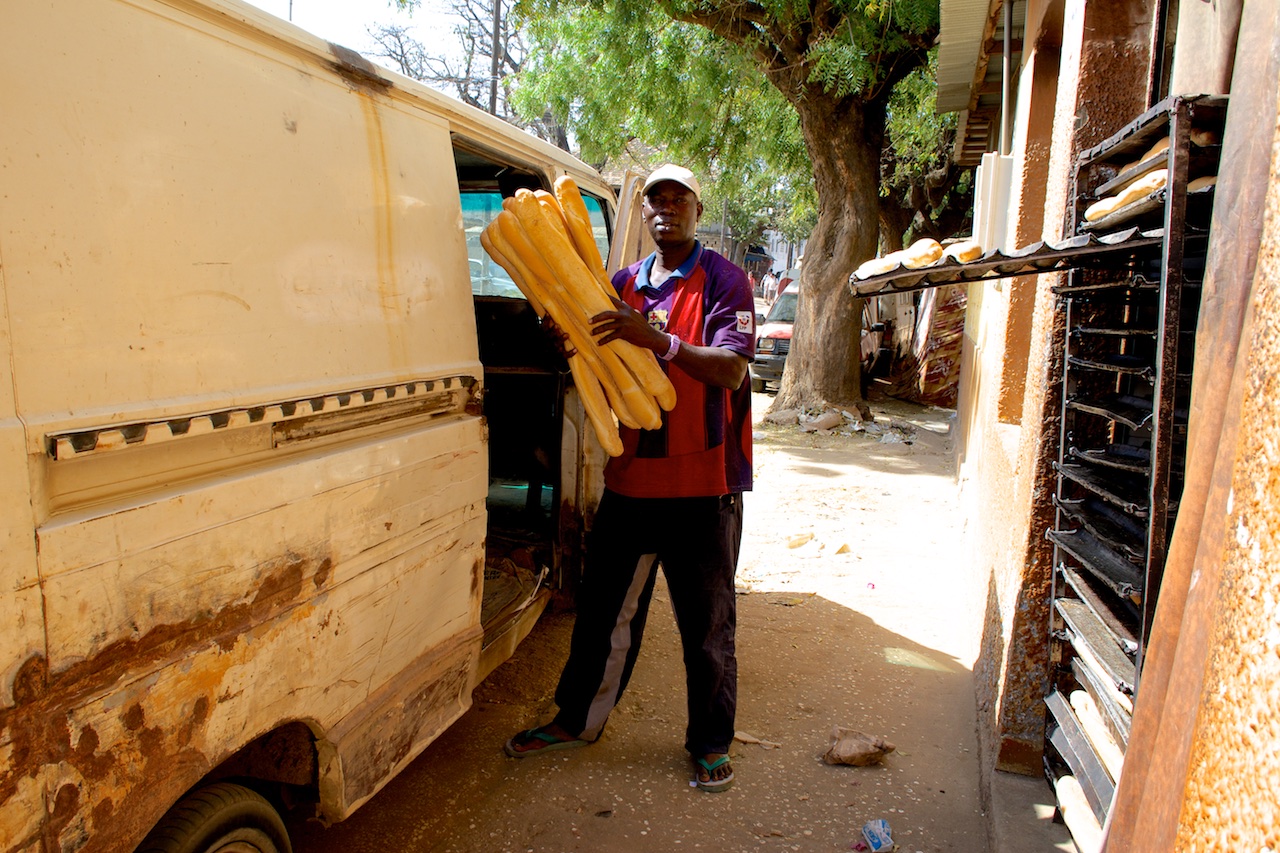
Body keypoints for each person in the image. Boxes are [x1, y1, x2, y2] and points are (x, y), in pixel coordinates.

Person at [503, 164, 755, 794]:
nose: (667, 208)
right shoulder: (616, 285)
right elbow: (590, 358)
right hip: (630, 482)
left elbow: (730, 371)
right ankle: (577, 721)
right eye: (655, 200)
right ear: (643, 214)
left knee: (707, 627)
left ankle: (710, 744)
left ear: (698, 208)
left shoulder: (725, 280)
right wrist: (563, 338)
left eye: (680, 199)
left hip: (704, 487)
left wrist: (659, 342)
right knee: (602, 615)